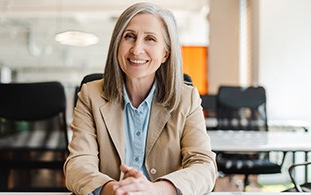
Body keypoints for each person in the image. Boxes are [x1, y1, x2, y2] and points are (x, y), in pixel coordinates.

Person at [64, 2, 217, 195]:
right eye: (129, 36)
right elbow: (78, 165)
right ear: (117, 44)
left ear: (165, 54)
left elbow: (204, 166)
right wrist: (115, 190)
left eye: (150, 39)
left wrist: (155, 190)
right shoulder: (90, 95)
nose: (137, 49)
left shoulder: (187, 98)